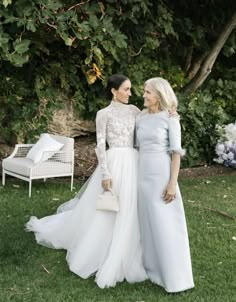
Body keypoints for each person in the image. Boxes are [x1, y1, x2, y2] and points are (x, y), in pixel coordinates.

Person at [26, 74, 147, 288]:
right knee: (109, 208)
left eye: (130, 89)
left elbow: (151, 123)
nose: (130, 93)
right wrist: (106, 173)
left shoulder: (135, 111)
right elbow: (100, 145)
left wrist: (171, 113)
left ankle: (132, 244)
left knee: (132, 205)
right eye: (126, 89)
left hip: (133, 161)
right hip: (114, 161)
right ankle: (103, 246)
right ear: (114, 91)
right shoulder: (103, 114)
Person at [136, 77, 194, 293]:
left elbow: (176, 154)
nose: (144, 95)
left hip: (161, 175)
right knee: (148, 223)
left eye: (148, 92)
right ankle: (153, 269)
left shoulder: (170, 119)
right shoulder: (140, 118)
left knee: (166, 224)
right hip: (142, 175)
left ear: (159, 95)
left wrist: (172, 184)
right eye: (144, 91)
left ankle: (175, 277)